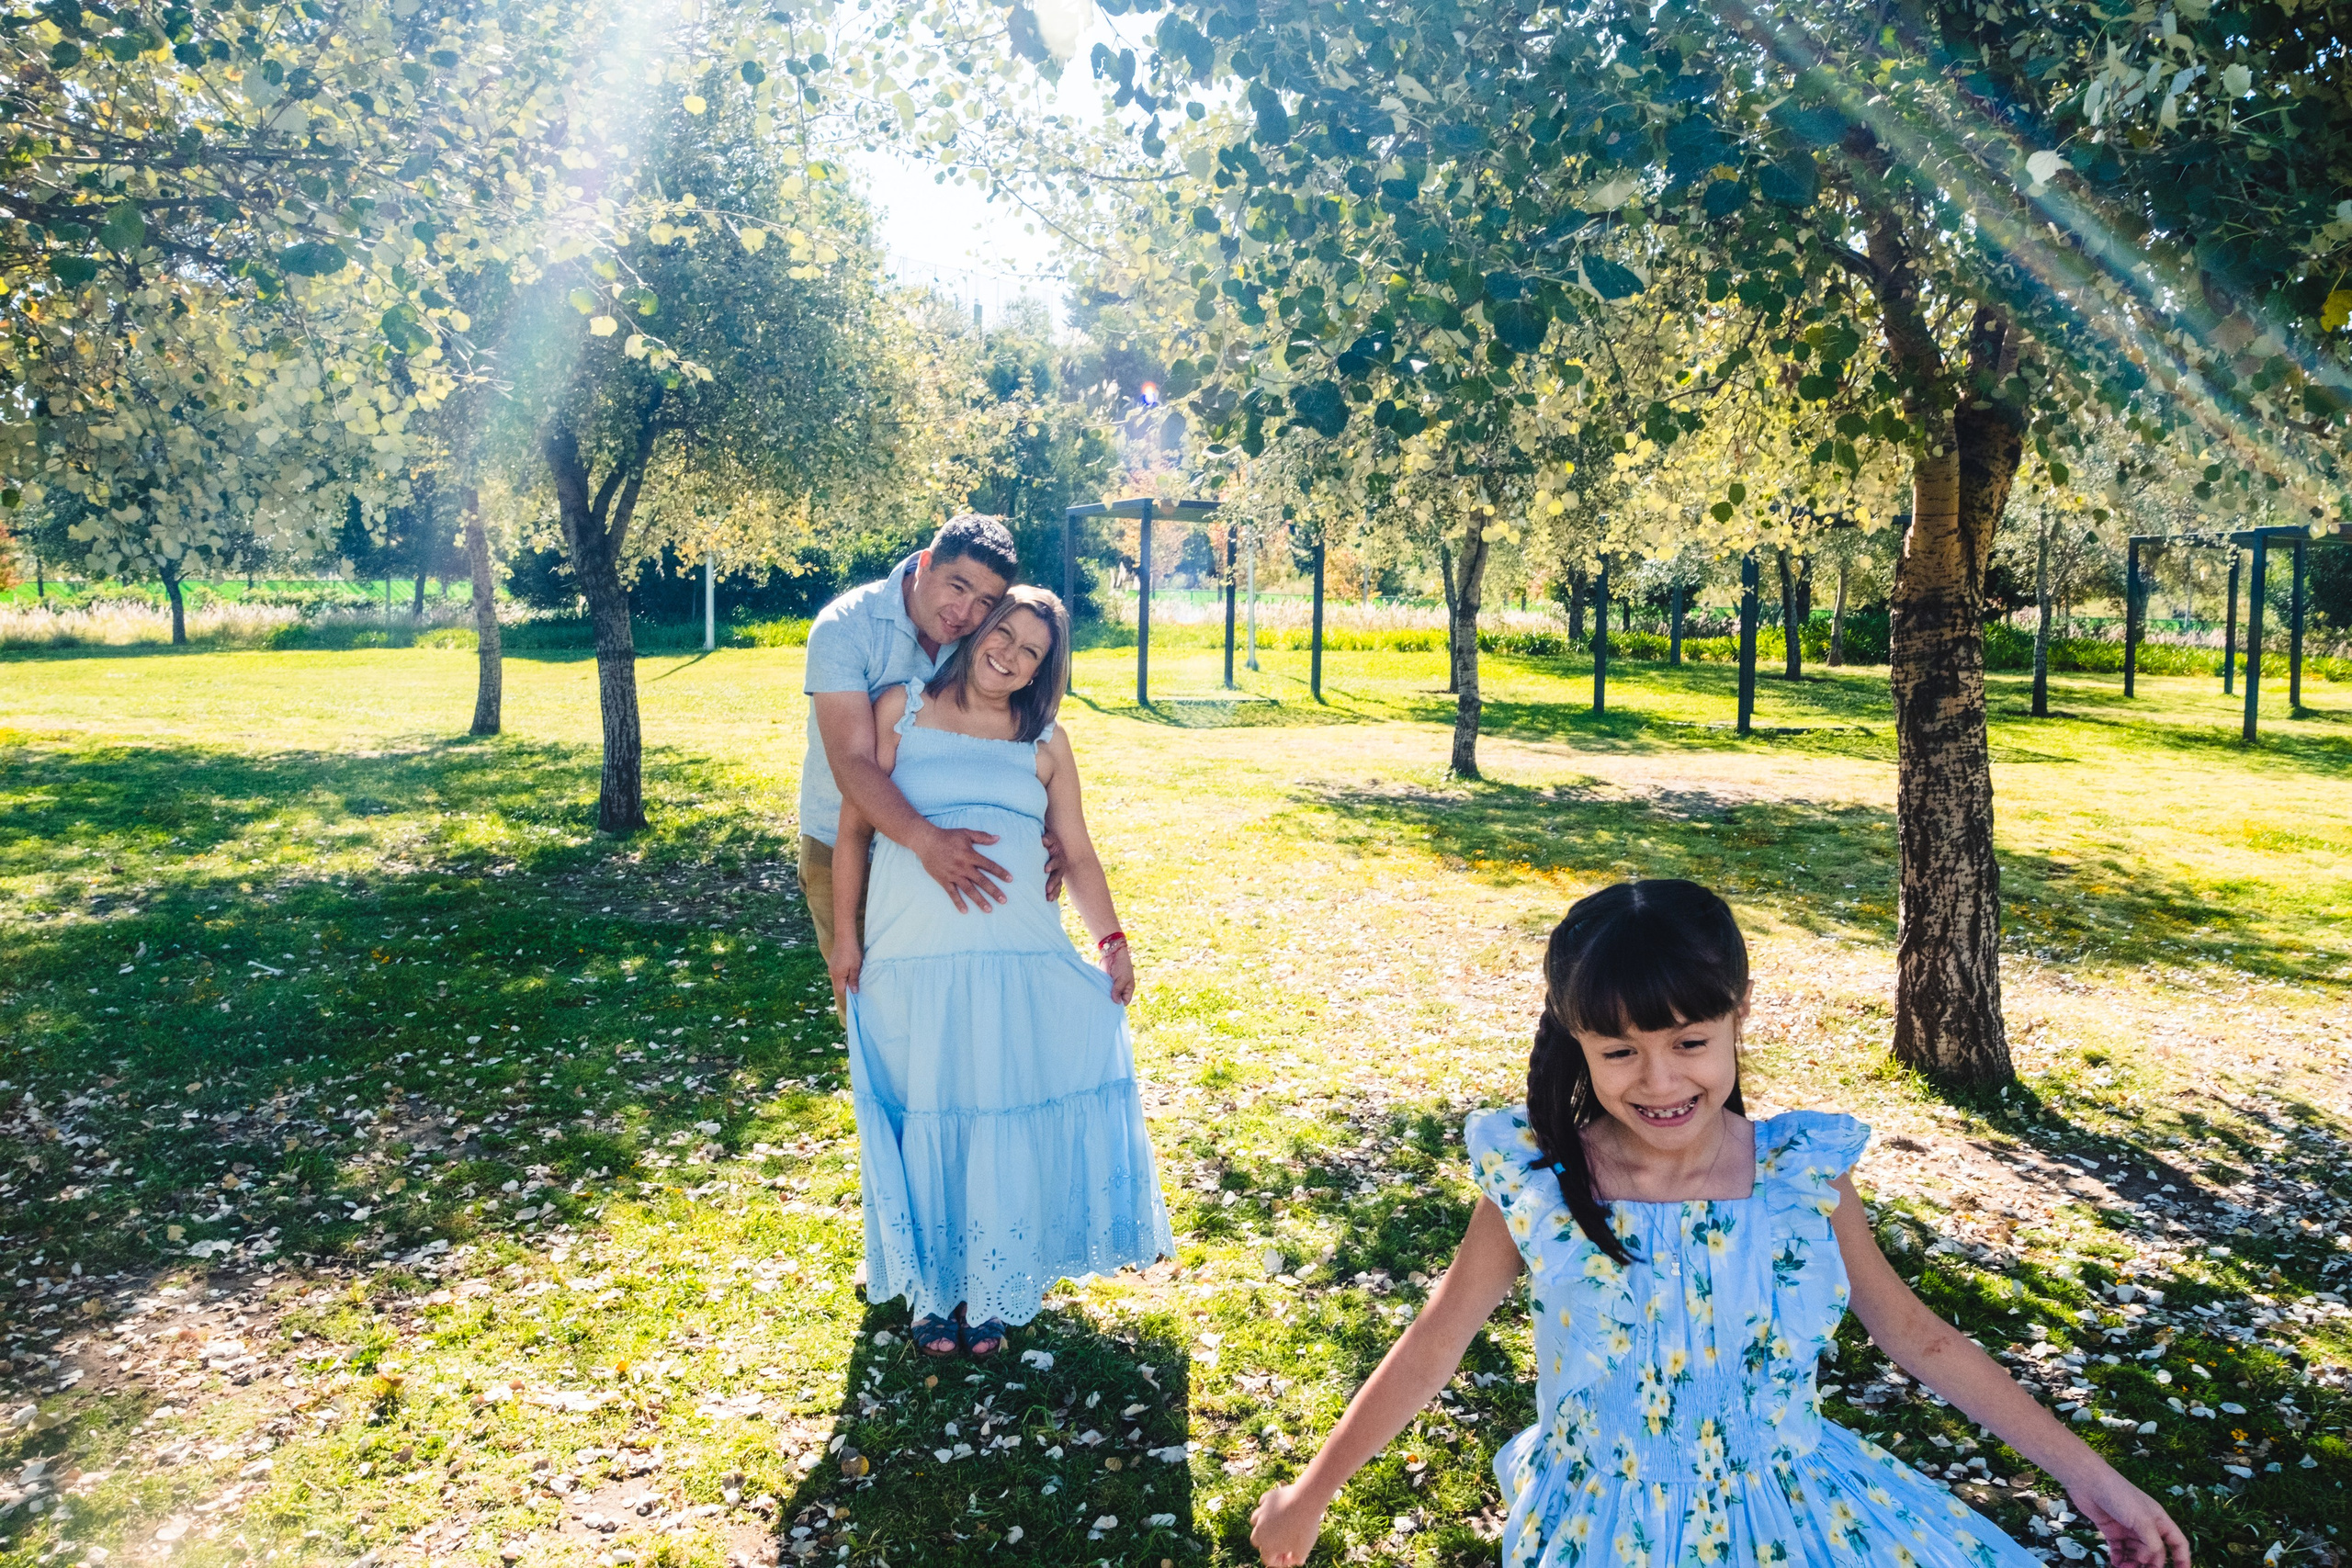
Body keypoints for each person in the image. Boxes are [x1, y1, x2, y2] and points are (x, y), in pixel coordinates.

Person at [1249, 880, 2191, 1568]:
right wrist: (1310, 1493)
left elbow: (1920, 1337)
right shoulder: (1538, 1183)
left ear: (1740, 1015)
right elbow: (1433, 1344)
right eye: (1619, 1051)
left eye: (1691, 1042)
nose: (1660, 1081)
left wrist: (2092, 1478)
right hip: (1604, 1529)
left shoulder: (1800, 1176)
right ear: (1576, 1040)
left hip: (1797, 1510)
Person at [830, 586, 1172, 1359]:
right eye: (1004, 633)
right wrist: (844, 939)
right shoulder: (901, 709)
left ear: (1043, 670)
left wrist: (1112, 939)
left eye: (1032, 651)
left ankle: (991, 1288)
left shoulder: (1045, 742)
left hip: (1015, 963)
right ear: (980, 627)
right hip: (912, 958)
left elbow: (1076, 851)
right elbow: (854, 831)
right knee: (927, 1107)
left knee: (995, 1109)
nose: (1010, 654)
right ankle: (930, 1292)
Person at [799, 513, 1039, 980]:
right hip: (846, 848)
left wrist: (1045, 831)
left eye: (984, 602)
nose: (964, 613)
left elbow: (1007, 734)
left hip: (951, 854)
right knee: (870, 1002)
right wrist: (926, 841)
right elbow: (852, 762)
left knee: (943, 997)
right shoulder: (845, 627)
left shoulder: (983, 639)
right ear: (925, 563)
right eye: (957, 586)